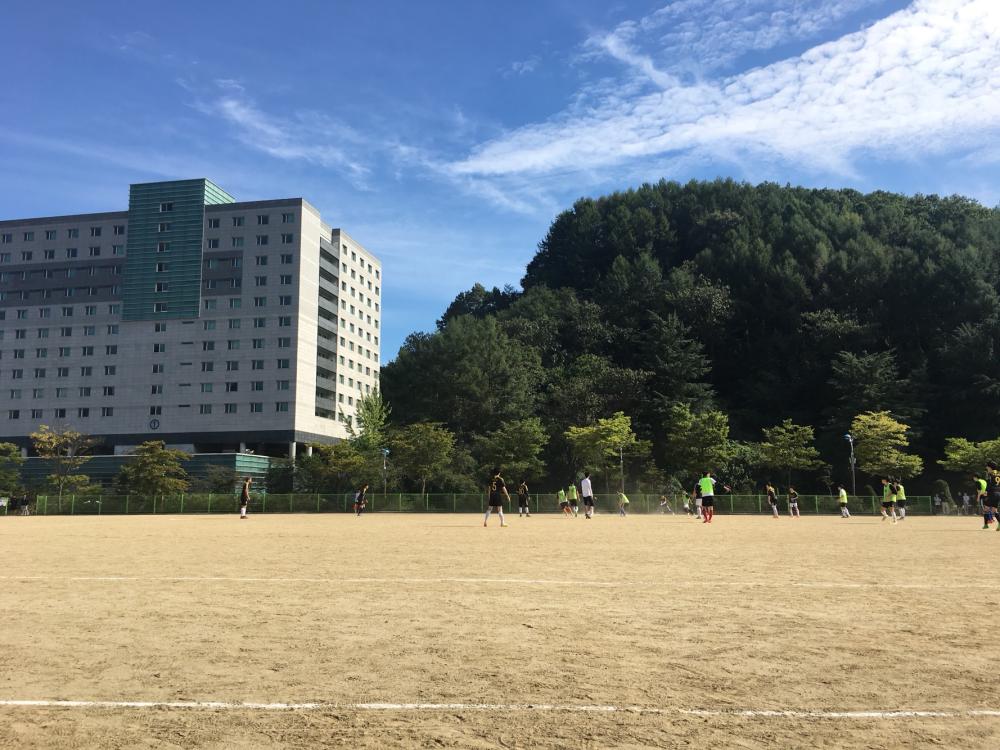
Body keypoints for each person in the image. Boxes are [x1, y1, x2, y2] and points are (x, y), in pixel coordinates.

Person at [986, 461, 1000, 532]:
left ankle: (988, 521)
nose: (986, 468)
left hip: (993, 493)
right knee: (995, 510)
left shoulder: (991, 474)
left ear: (990, 467)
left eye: (987, 466)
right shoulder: (998, 473)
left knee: (986, 507)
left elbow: (989, 484)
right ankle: (999, 525)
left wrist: (986, 492)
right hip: (998, 493)